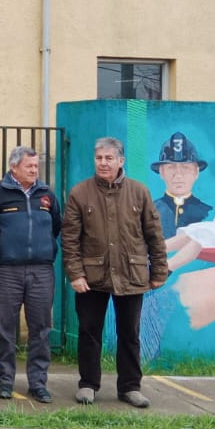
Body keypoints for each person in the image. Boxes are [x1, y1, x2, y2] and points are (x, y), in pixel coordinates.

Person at [63, 136, 169, 408]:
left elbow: (154, 235)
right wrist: (75, 274)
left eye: (109, 158)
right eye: (99, 158)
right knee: (89, 332)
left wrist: (158, 271)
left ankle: (130, 387)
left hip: (131, 275)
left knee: (129, 333)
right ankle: (88, 384)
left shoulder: (139, 192)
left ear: (121, 161)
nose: (103, 163)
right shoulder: (80, 193)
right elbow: (70, 239)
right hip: (91, 277)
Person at [0, 146, 63, 403]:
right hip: (5, 269)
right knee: (5, 329)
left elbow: (56, 226)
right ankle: (5, 381)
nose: (34, 170)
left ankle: (38, 383)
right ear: (14, 167)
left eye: (36, 166)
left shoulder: (47, 194)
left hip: (41, 270)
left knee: (41, 329)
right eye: (29, 166)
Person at [150, 132, 212, 240]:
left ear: (196, 172)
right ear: (161, 172)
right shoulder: (148, 212)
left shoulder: (208, 213)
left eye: (185, 167)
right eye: (171, 167)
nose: (178, 175)